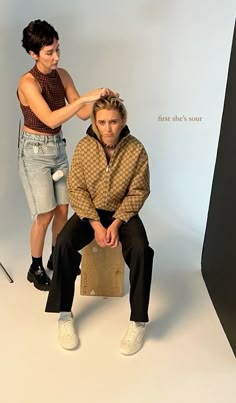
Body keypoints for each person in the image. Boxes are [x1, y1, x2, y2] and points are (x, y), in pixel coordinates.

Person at [45, 95, 154, 355]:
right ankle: (64, 315)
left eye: (113, 122)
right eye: (102, 122)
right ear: (94, 121)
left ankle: (138, 321)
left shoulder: (136, 150)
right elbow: (77, 188)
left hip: (122, 214)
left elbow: (139, 191)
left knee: (141, 250)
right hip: (90, 213)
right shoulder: (84, 147)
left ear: (123, 120)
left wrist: (116, 223)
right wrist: (95, 224)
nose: (108, 128)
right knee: (63, 243)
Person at [17, 19, 117, 292]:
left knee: (63, 210)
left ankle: (55, 257)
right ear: (33, 54)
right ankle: (35, 266)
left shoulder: (62, 75)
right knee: (45, 214)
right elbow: (49, 119)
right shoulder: (27, 82)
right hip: (34, 152)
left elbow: (83, 113)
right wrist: (84, 98)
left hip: (57, 149)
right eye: (49, 53)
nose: (56, 57)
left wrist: (99, 99)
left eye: (57, 49)